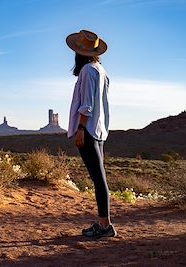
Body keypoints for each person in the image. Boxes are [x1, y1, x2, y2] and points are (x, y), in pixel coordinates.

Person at [66, 29, 116, 238]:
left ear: (79, 52)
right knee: (99, 177)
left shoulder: (88, 70)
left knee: (98, 179)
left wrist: (80, 128)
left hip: (88, 130)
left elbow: (87, 104)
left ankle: (104, 226)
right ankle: (104, 223)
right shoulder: (101, 70)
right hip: (99, 129)